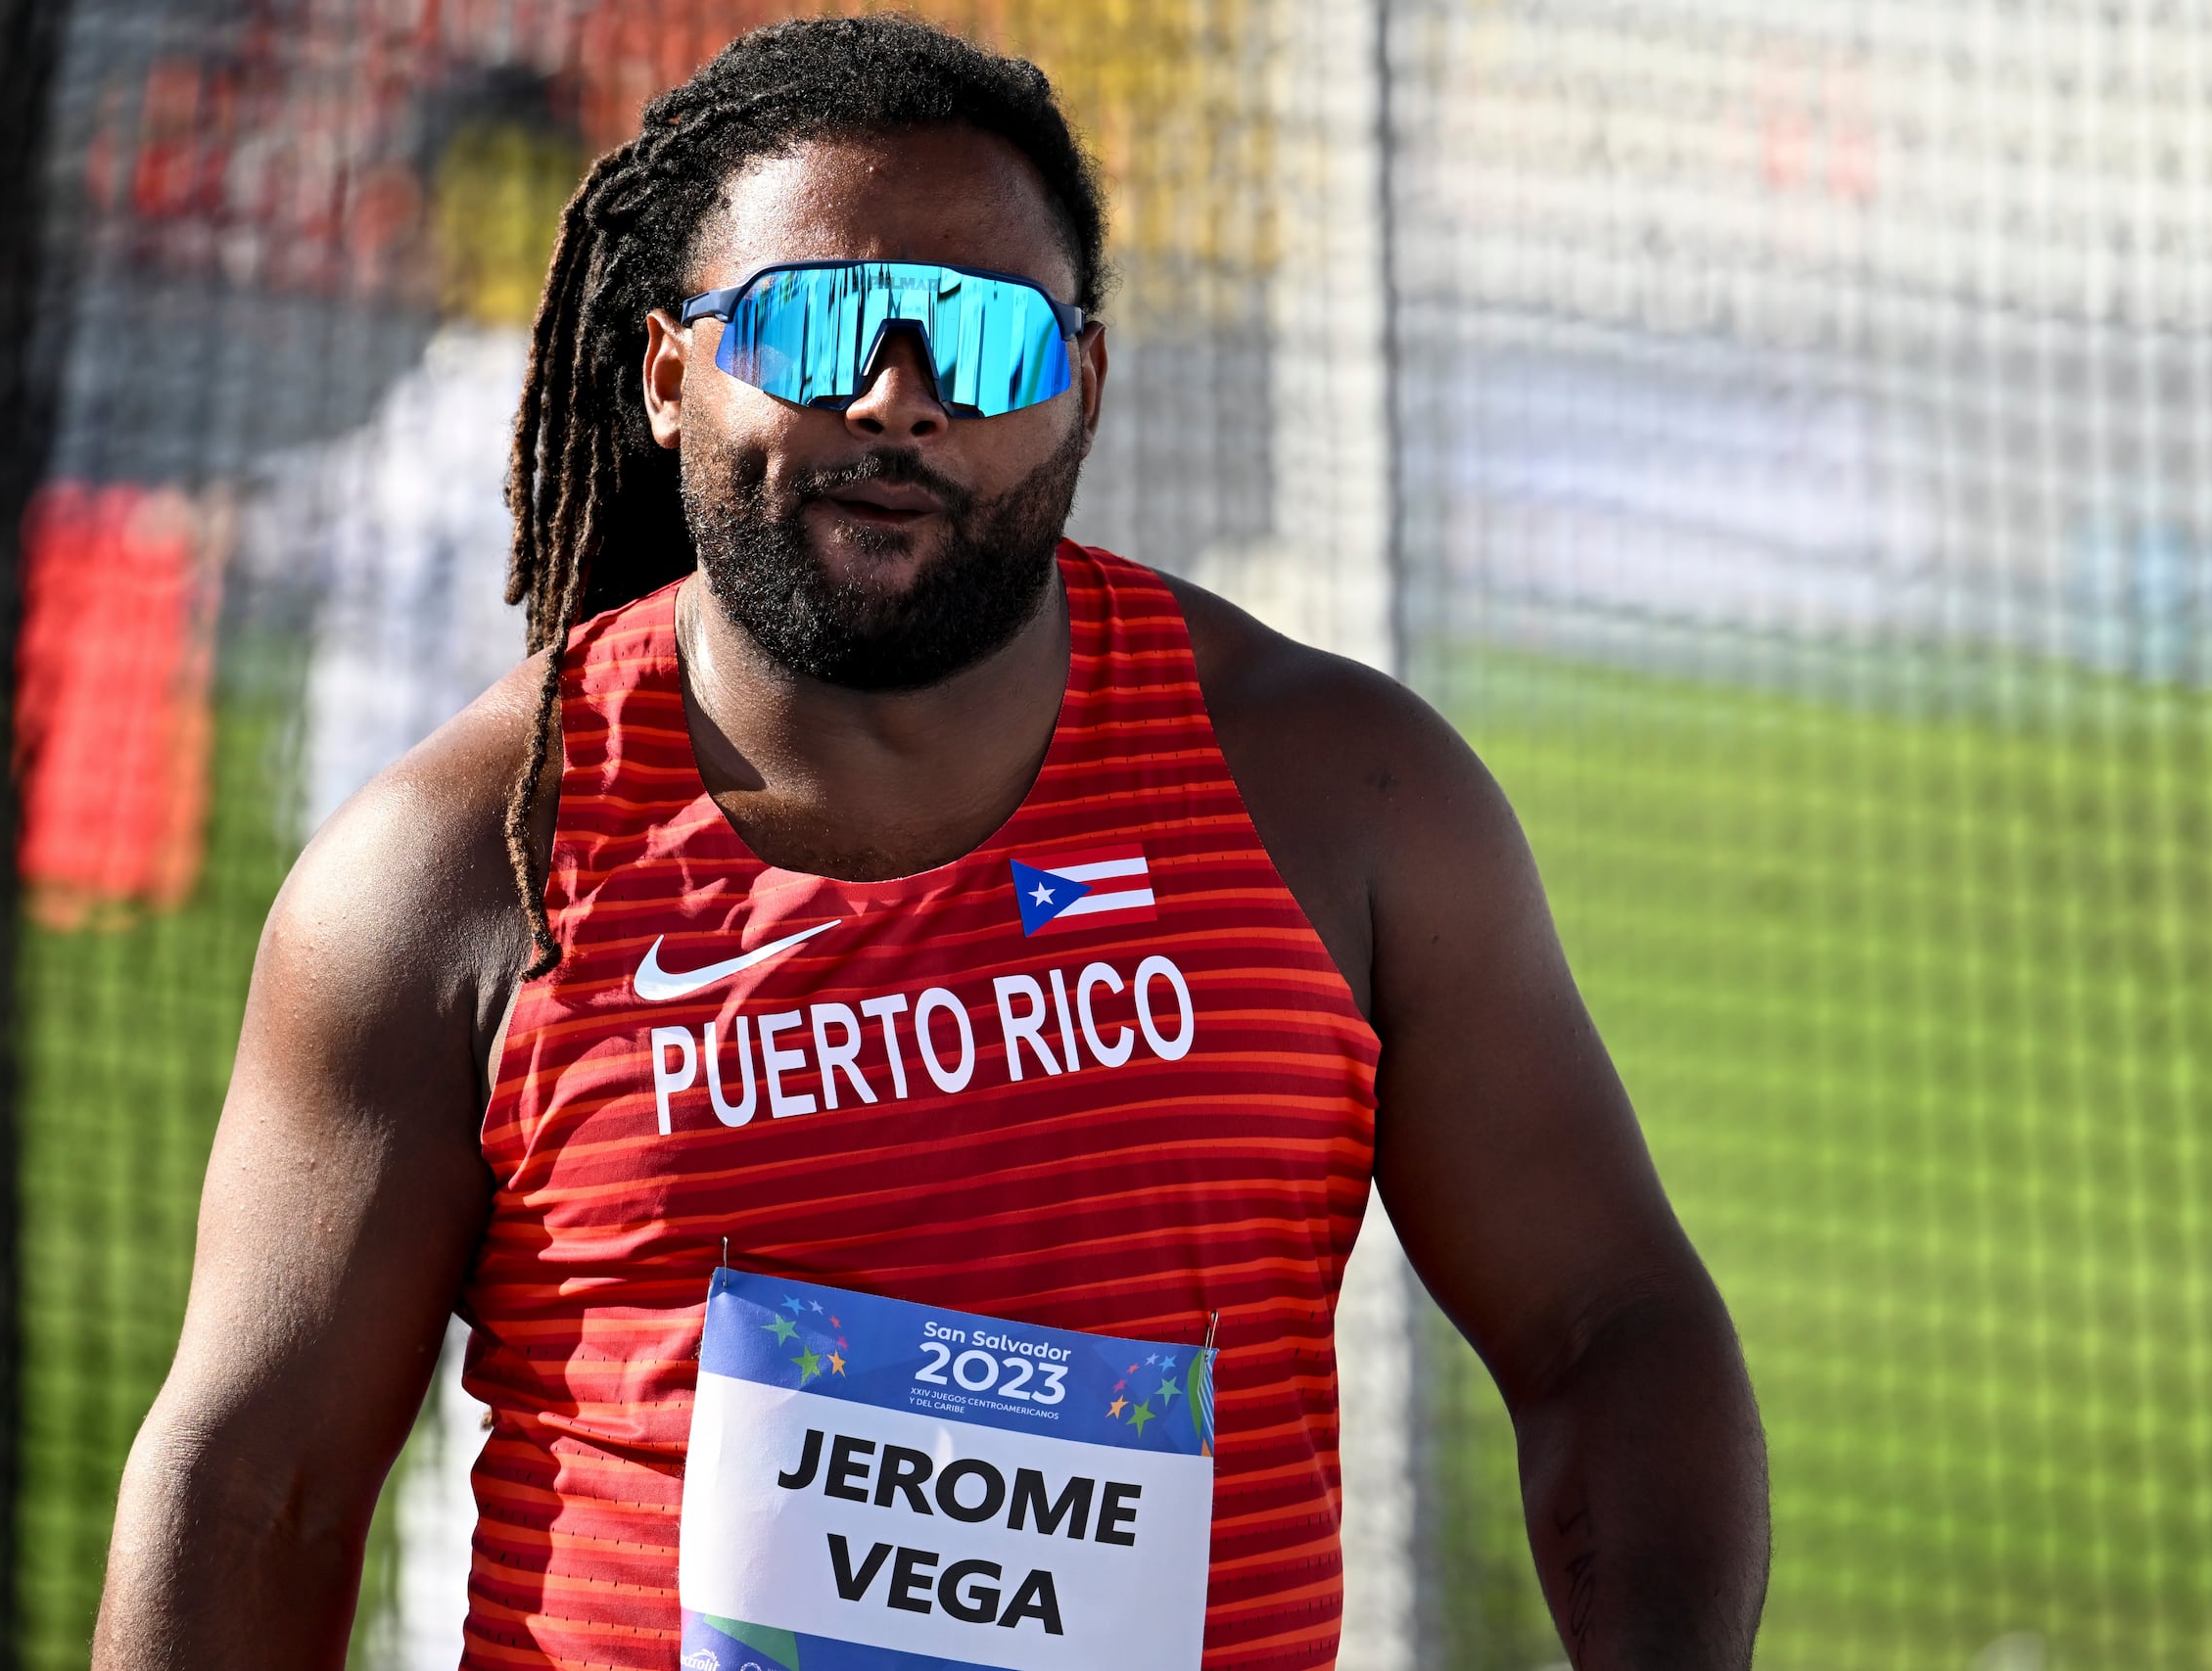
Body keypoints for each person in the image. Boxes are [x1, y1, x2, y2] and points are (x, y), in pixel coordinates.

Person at [93, 17, 1767, 1670]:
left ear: (1085, 388)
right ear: (670, 375)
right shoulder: (459, 875)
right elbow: (257, 1489)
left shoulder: (1343, 796)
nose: (899, 398)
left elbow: (1607, 1325)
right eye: (816, 329)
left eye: (984, 340)